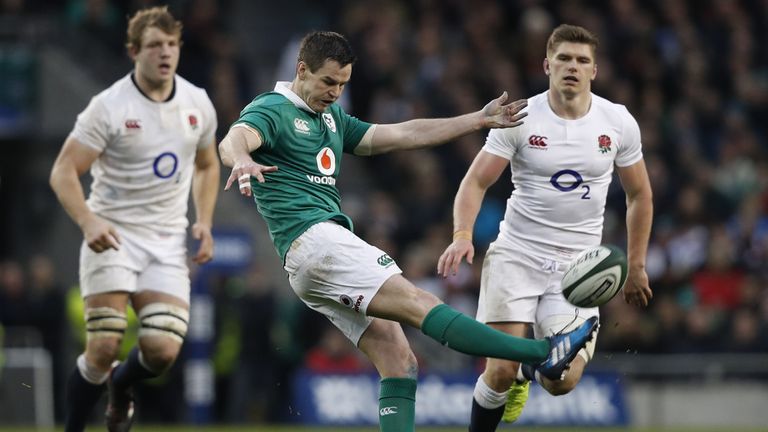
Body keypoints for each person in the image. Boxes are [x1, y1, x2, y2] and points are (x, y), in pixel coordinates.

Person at [218, 30, 598, 432]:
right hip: (317, 242)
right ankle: (541, 352)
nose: (335, 92)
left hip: (308, 264)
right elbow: (235, 137)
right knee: (418, 302)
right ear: (301, 70)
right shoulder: (274, 109)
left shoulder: (330, 118)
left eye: (343, 84)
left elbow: (403, 134)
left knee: (399, 360)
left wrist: (477, 120)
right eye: (328, 82)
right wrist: (241, 158)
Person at [436, 24, 654, 431]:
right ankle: (514, 374)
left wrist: (637, 264)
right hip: (518, 254)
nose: (573, 66)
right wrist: (462, 235)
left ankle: (529, 371)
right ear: (546, 65)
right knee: (498, 371)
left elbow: (639, 194)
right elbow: (476, 181)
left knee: (562, 383)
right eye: (564, 58)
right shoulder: (522, 118)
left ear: (595, 70)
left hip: (581, 267)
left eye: (582, 60)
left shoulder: (618, 122)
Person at [49, 6, 219, 432]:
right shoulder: (107, 107)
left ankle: (121, 386)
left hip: (165, 241)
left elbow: (206, 164)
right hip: (113, 234)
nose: (165, 53)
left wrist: (205, 221)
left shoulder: (197, 102)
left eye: (172, 44)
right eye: (154, 45)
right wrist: (88, 221)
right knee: (104, 344)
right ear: (133, 51)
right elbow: (63, 170)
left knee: (161, 352)